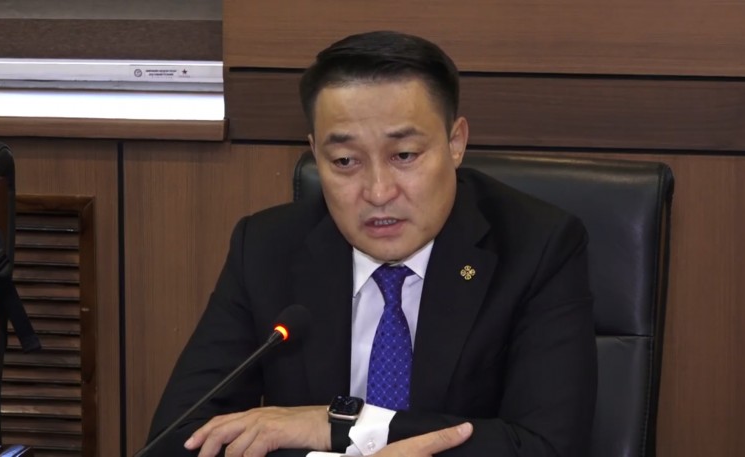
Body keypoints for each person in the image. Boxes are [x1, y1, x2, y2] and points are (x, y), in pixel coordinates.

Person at [146, 31, 597, 457]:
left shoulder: (538, 247)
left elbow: (547, 447)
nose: (378, 192)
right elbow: (179, 439)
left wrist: (338, 425)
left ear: (455, 142)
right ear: (316, 153)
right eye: (345, 161)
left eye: (404, 155)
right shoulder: (266, 249)